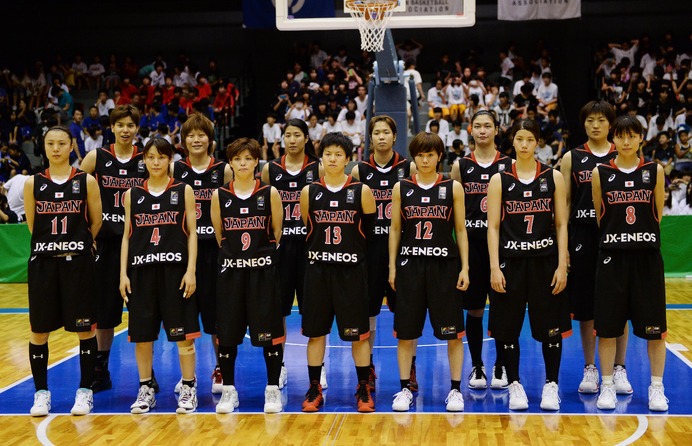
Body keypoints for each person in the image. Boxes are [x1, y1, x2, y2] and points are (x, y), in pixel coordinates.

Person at [487, 118, 570, 411]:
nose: (524, 144)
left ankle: (551, 385)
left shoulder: (553, 177)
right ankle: (515, 384)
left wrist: (562, 265)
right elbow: (493, 227)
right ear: (513, 141)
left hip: (545, 263)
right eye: (520, 139)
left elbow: (561, 224)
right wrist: (494, 267)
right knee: (507, 329)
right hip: (510, 263)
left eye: (530, 139)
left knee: (551, 328)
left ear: (538, 143)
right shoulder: (500, 179)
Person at [23, 126, 102, 416]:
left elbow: (96, 222)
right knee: (39, 330)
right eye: (50, 143)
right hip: (44, 264)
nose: (55, 148)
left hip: (78, 264)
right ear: (43, 147)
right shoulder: (33, 183)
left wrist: (76, 244)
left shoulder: (86, 181)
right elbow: (33, 226)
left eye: (61, 143)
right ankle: (41, 393)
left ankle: (85, 391)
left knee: (84, 329)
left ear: (71, 146)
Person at [591, 115, 668, 412]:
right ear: (615, 139)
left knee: (655, 330)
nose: (625, 141)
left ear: (640, 139)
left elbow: (657, 213)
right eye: (620, 136)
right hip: (612, 258)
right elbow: (600, 214)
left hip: (646, 259)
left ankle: (656, 388)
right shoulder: (601, 173)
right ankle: (607, 386)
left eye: (631, 136)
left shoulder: (654, 171)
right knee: (608, 328)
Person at [389, 132, 470, 412]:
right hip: (410, 266)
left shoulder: (452, 187)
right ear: (414, 157)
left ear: (439, 156)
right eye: (420, 155)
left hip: (444, 267)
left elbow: (460, 230)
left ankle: (456, 390)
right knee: (406, 334)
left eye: (430, 154)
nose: (425, 159)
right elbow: (396, 229)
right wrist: (392, 266)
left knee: (453, 334)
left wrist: (466, 267)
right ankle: (404, 389)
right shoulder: (402, 188)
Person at [119, 138, 199, 414]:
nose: (155, 162)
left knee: (183, 336)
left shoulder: (183, 190)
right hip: (141, 273)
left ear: (170, 160)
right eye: (150, 157)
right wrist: (123, 274)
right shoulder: (132, 194)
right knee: (142, 337)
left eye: (161, 157)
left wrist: (191, 270)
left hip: (175, 272)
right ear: (144, 160)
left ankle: (188, 387)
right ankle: (145, 388)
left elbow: (192, 233)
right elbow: (127, 238)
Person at [299, 131, 377, 412]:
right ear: (321, 158)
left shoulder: (361, 191)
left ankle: (363, 387)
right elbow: (307, 232)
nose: (332, 159)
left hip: (351, 273)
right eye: (328, 154)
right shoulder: (310, 192)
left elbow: (369, 235)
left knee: (359, 336)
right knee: (315, 334)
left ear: (348, 158)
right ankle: (313, 387)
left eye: (338, 154)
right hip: (318, 272)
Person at [560, 100, 631, 396]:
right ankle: (590, 367)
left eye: (601, 120)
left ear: (610, 123)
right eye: (590, 120)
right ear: (584, 123)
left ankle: (618, 368)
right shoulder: (572, 158)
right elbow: (562, 204)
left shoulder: (621, 154)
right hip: (582, 236)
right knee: (587, 307)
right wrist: (563, 249)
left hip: (616, 237)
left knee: (620, 303)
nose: (596, 125)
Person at [210, 137, 285, 413]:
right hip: (231, 274)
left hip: (263, 274)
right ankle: (229, 390)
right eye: (237, 159)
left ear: (256, 162)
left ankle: (272, 389)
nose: (243, 163)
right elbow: (220, 235)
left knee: (270, 334)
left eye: (248, 159)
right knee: (227, 334)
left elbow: (277, 233)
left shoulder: (270, 193)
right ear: (230, 162)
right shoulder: (220, 195)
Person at [80, 104, 147, 393]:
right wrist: (87, 231)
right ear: (112, 127)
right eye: (120, 125)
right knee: (105, 312)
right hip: (107, 244)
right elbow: (75, 188)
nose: (125, 130)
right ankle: (100, 367)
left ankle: (147, 374)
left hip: (140, 245)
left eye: (130, 125)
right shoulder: (97, 157)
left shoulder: (148, 159)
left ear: (136, 129)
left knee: (143, 311)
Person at [351, 116, 417, 392]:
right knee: (368, 312)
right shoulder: (359, 171)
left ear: (394, 136)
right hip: (369, 250)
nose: (381, 137)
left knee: (407, 312)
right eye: (376, 132)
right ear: (370, 138)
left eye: (386, 132)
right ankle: (368, 367)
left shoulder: (408, 167)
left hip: (402, 249)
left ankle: (410, 368)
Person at [450, 110, 513, 391]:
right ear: (470, 131)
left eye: (488, 126)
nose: (483, 131)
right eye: (478, 126)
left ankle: (501, 364)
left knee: (501, 308)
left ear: (497, 129)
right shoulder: (460, 166)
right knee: (474, 309)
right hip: (473, 247)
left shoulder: (510, 164)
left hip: (502, 247)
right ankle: (477, 365)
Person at [172, 113, 233, 395]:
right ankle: (188, 375)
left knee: (217, 315)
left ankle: (220, 366)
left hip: (215, 251)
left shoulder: (224, 170)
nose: (196, 139)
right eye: (191, 135)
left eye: (201, 135)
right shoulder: (176, 170)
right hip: (184, 251)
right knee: (185, 312)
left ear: (210, 139)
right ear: (184, 140)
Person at [261, 118, 323, 390]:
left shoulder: (318, 167)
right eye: (288, 135)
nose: (293, 139)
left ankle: (317, 369)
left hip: (310, 247)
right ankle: (280, 366)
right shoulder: (270, 169)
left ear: (307, 138)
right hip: (280, 248)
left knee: (315, 309)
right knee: (278, 309)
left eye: (298, 135)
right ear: (282, 139)